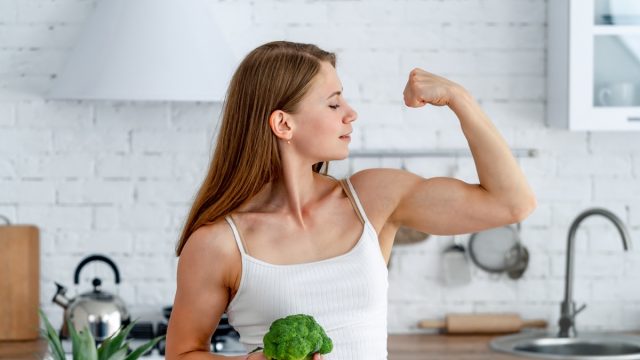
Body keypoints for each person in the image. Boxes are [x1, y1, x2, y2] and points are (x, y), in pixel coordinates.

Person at [164, 41, 536, 360]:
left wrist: (460, 99)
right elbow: (181, 352)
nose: (351, 114)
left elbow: (511, 204)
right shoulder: (218, 243)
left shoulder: (373, 198)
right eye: (333, 104)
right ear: (283, 124)